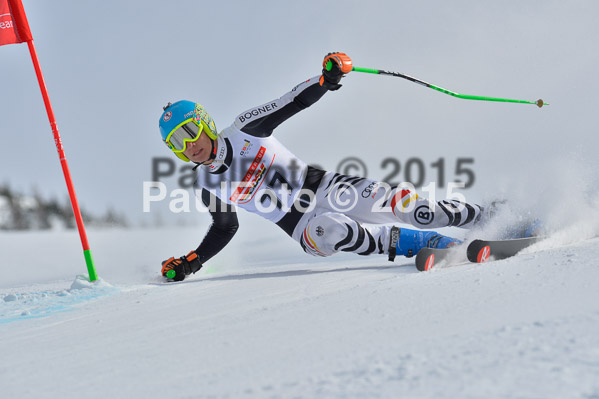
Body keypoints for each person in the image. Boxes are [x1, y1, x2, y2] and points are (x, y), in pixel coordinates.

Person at [158, 52, 485, 281]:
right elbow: (224, 227)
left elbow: (292, 101)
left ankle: (488, 216)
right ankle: (432, 245)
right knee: (332, 228)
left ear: (203, 122)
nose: (189, 146)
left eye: (188, 132)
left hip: (325, 186)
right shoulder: (208, 185)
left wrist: (327, 79)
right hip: (302, 223)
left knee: (412, 209)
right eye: (176, 143)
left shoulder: (245, 129)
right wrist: (193, 262)